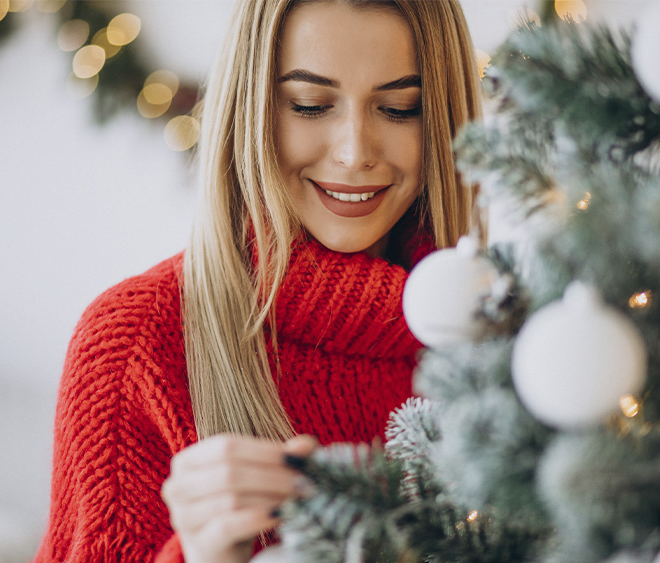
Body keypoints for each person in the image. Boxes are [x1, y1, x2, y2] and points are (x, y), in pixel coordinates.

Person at [33, 0, 482, 561]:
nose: (353, 153)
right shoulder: (134, 343)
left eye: (398, 109)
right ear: (251, 109)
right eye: (311, 104)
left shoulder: (503, 337)